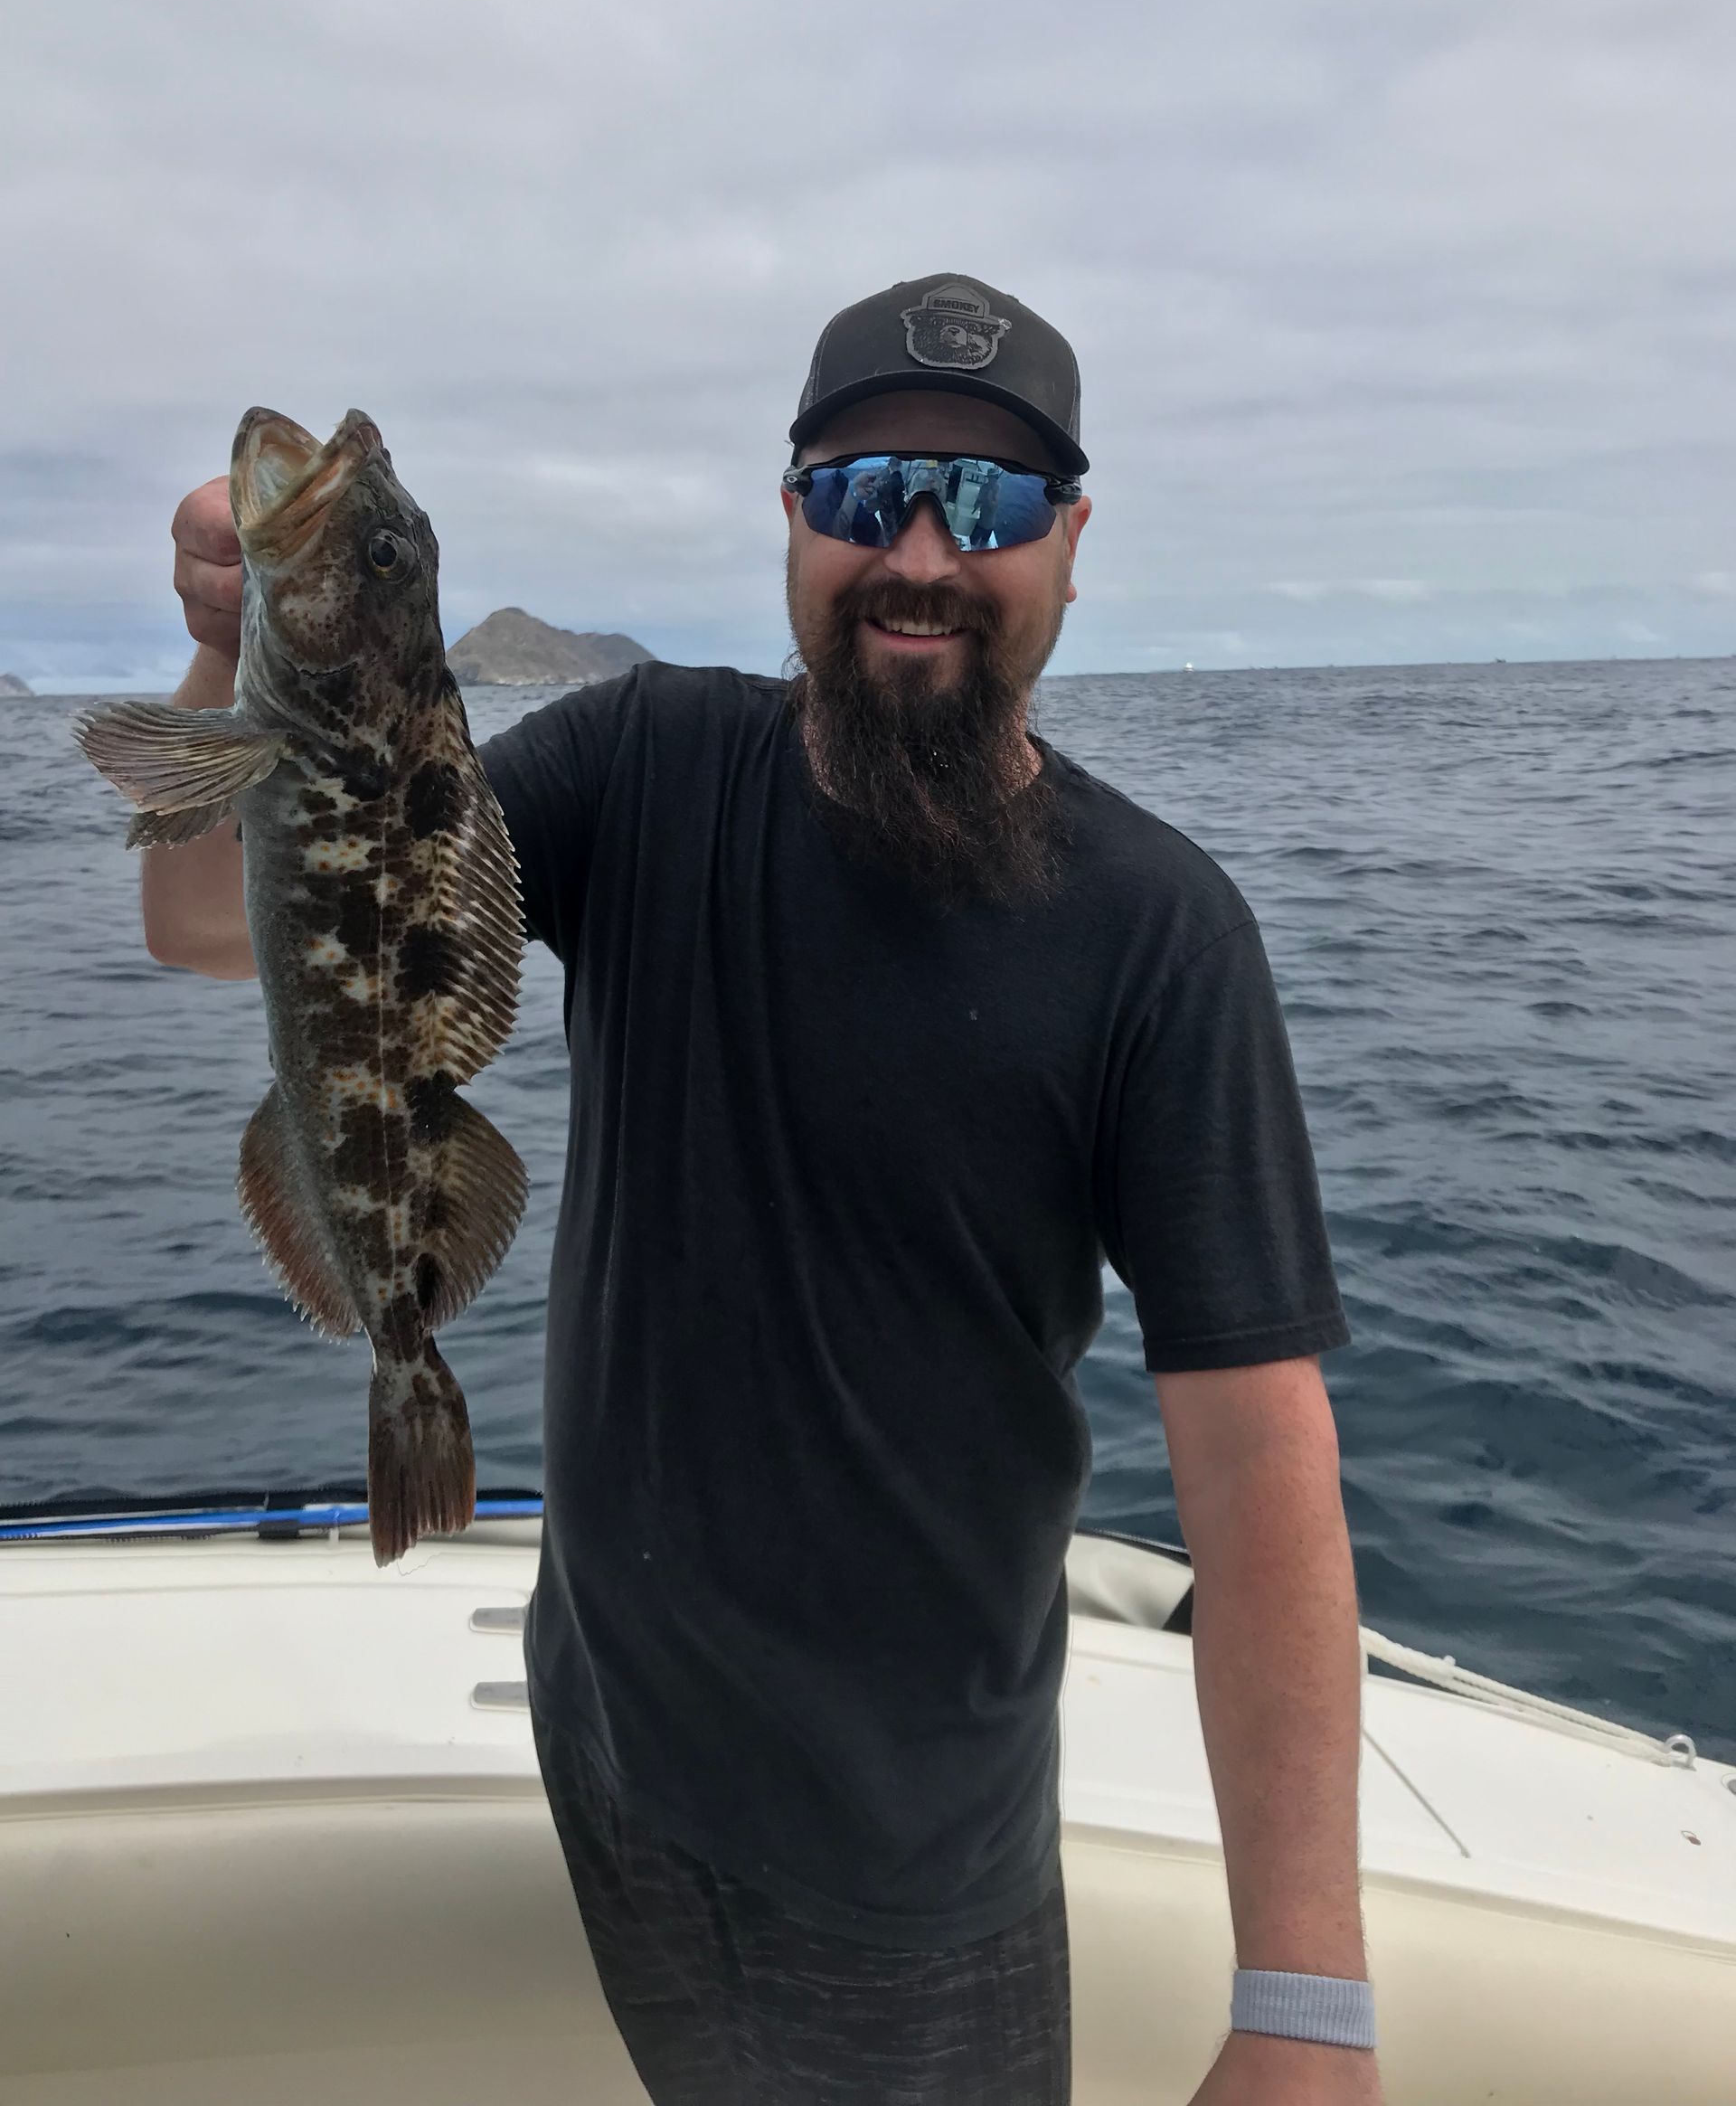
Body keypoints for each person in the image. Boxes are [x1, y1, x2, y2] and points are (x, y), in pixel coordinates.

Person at [142, 271, 1382, 2106]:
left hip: (907, 1881)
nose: (926, 554)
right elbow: (198, 925)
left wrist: (1305, 1996)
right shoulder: (642, 767)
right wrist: (229, 657)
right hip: (608, 1734)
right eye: (873, 488)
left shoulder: (1160, 936)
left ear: (1071, 543)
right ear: (796, 514)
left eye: (994, 502)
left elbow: (1260, 1460)